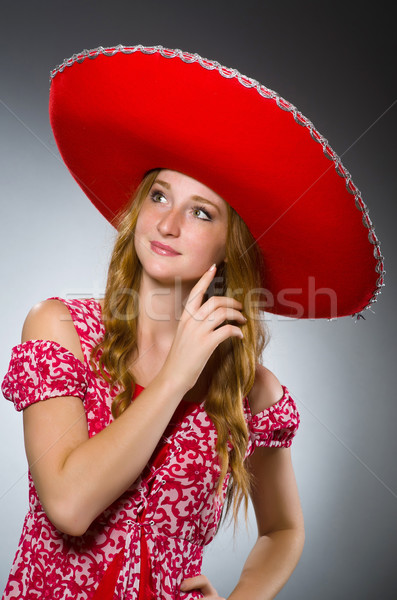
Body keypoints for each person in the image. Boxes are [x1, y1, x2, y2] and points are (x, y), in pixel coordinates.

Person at [1, 44, 384, 600]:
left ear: (231, 248)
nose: (169, 223)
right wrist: (177, 375)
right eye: (160, 195)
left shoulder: (250, 388)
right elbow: (69, 506)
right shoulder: (60, 330)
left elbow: (283, 530)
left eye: (201, 212)